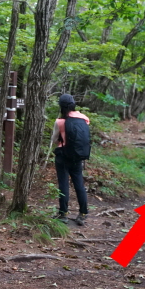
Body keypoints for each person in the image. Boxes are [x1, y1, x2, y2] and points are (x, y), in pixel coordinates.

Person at [49, 93, 89, 225]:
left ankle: (63, 214)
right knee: (79, 184)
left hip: (63, 155)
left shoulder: (60, 122)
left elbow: (54, 139)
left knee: (63, 184)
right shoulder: (84, 119)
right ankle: (83, 213)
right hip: (77, 156)